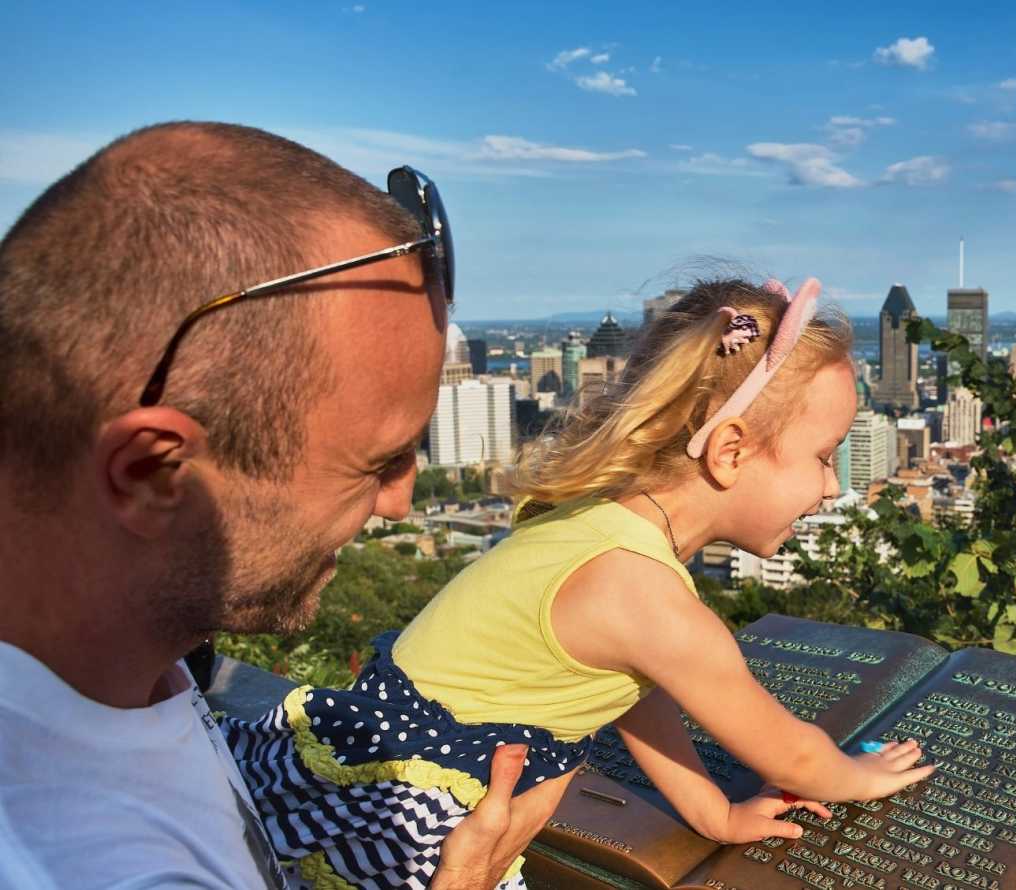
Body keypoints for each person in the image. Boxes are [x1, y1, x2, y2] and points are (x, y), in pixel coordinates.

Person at [225, 277, 936, 888]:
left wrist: (712, 814)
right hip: (417, 829)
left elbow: (628, 695)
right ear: (729, 452)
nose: (833, 487)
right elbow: (792, 755)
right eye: (822, 456)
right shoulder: (646, 597)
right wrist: (861, 776)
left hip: (375, 779)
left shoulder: (602, 528)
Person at [0, 122, 558, 889]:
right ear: (150, 473)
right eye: (377, 463)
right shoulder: (71, 859)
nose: (399, 502)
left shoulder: (124, 657)